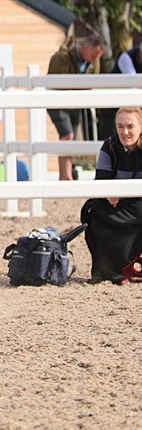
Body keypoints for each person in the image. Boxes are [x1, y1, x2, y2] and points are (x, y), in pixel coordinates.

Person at [80, 106, 142, 283]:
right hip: (117, 201)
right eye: (120, 126)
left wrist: (121, 194)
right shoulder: (109, 146)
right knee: (93, 209)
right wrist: (109, 194)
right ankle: (106, 269)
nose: (125, 132)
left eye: (130, 126)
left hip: (136, 202)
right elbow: (101, 179)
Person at [46, 34, 104, 180]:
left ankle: (65, 174)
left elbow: (92, 82)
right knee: (68, 135)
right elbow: (56, 84)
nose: (94, 59)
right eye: (93, 55)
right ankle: (65, 176)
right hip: (58, 103)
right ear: (85, 48)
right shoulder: (62, 57)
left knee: (69, 138)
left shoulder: (92, 62)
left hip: (75, 104)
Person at [96, 42, 142, 137]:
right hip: (112, 104)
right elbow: (134, 81)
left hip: (129, 105)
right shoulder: (126, 57)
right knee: (111, 135)